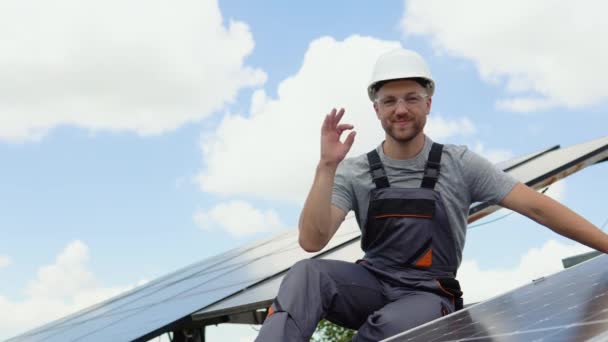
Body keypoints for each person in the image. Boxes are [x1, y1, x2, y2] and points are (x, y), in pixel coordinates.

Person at [255, 48, 608, 342]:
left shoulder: (460, 163)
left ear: (428, 104)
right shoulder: (354, 170)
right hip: (372, 283)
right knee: (306, 275)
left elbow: (538, 207)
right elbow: (312, 240)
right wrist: (326, 166)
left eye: (411, 98)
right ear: (376, 109)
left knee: (390, 328)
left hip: (429, 295)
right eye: (389, 101)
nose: (401, 109)